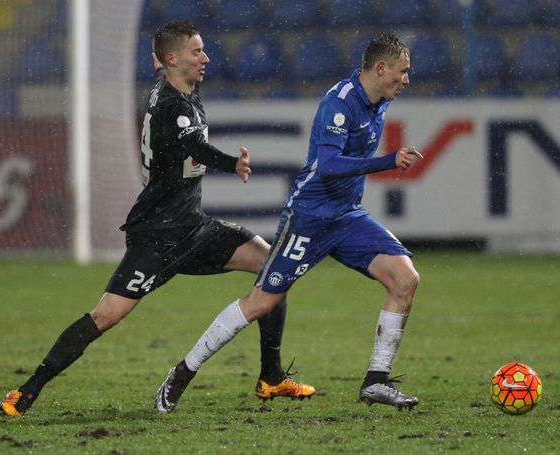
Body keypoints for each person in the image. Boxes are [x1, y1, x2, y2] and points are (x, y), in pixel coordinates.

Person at [0, 21, 314, 417]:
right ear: (171, 59)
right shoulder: (171, 106)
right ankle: (26, 390)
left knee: (274, 271)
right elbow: (194, 145)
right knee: (105, 316)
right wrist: (232, 163)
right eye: (196, 51)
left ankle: (271, 377)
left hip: (193, 226)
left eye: (202, 50)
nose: (206, 57)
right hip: (157, 237)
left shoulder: (178, 89)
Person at [154, 32, 424, 413]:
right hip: (309, 218)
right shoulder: (340, 105)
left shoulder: (377, 100)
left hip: (346, 216)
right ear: (381, 69)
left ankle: (376, 381)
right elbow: (328, 166)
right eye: (402, 72)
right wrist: (387, 161)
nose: (406, 80)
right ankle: (182, 372)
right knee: (262, 302)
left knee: (405, 278)